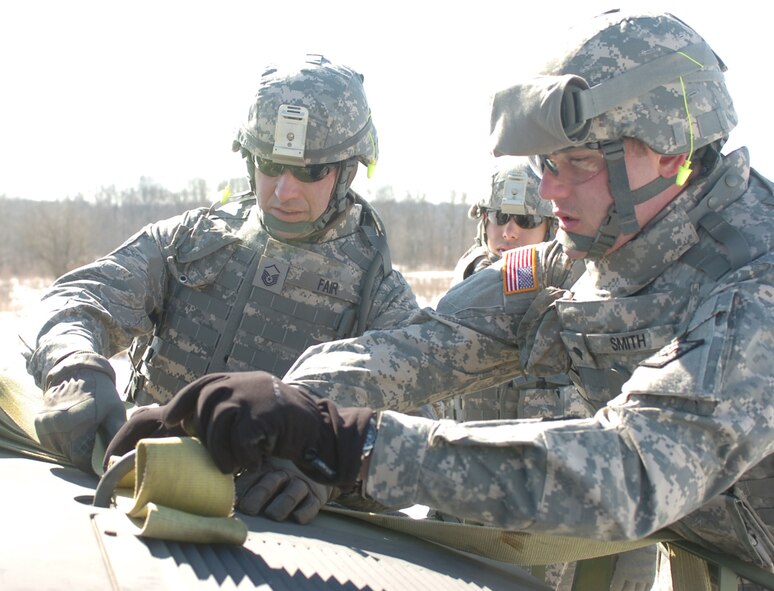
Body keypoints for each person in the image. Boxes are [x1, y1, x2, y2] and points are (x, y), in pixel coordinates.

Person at [108, 10, 774, 589]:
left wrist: (355, 446)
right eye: (546, 164)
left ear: (669, 151)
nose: (549, 194)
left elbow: (629, 470)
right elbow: (426, 345)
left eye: (579, 163)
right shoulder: (574, 260)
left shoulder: (757, 288)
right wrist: (283, 408)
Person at [22, 54, 419, 523]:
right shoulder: (191, 242)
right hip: (140, 492)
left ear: (348, 171)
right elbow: (73, 300)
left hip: (287, 538)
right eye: (270, 164)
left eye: (310, 172)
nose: (284, 190)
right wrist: (74, 368)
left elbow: (422, 434)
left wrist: (332, 469)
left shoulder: (381, 299)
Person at [441, 156, 589, 423]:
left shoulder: (582, 285)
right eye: (500, 216)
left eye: (527, 220)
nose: (509, 232)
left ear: (551, 228)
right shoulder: (467, 281)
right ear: (484, 221)